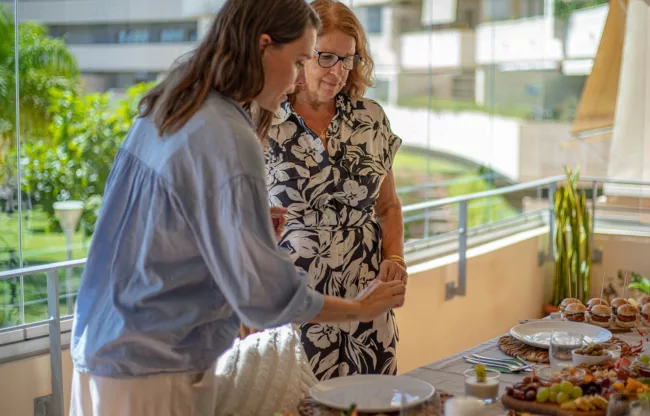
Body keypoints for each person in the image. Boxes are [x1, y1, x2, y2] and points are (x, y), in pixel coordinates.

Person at [68, 0, 405, 415]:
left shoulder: (173, 104)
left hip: (103, 349)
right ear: (265, 47)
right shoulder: (228, 131)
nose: (299, 77)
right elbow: (262, 296)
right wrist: (359, 309)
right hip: (156, 366)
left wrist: (242, 226)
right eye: (301, 60)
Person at [261, 0, 406, 380]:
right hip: (299, 302)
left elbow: (388, 205)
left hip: (368, 297)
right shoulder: (265, 121)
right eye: (326, 57)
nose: (338, 71)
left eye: (348, 59)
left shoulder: (371, 118)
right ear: (302, 53)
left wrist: (397, 258)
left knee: (374, 402)